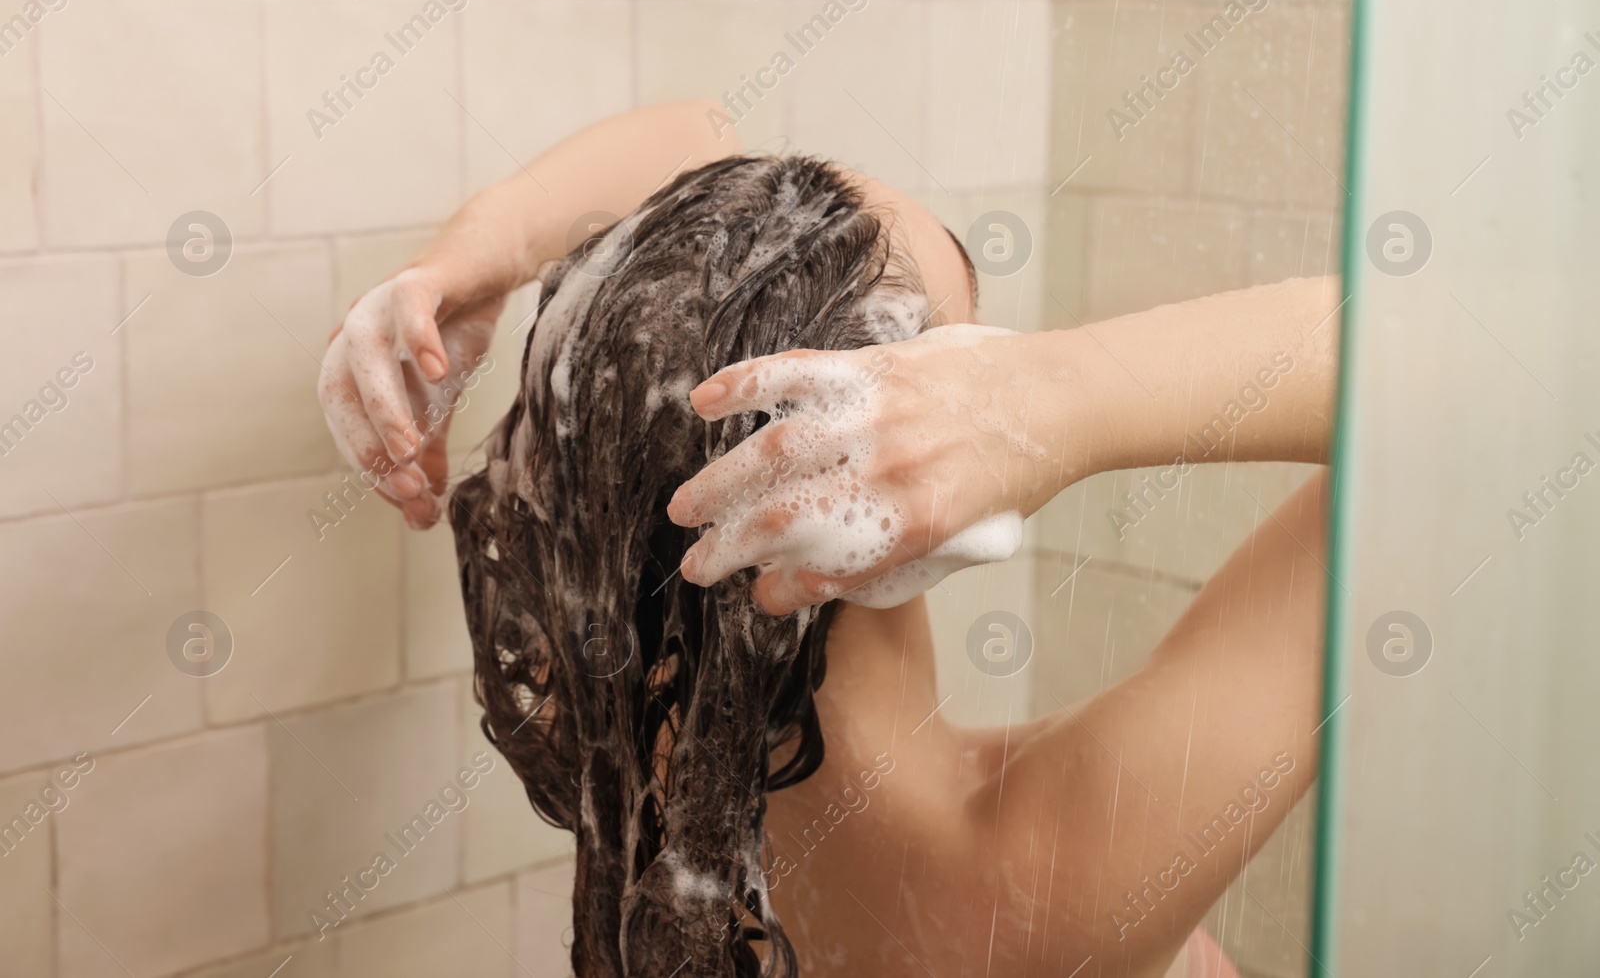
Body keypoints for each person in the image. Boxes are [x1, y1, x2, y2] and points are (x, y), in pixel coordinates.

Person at [319, 101, 1339, 977]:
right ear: (899, 501)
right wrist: (1048, 402)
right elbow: (1438, 356)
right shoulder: (1048, 878)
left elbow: (703, 136)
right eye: (958, 359)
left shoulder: (661, 783)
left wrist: (468, 252)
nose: (978, 382)